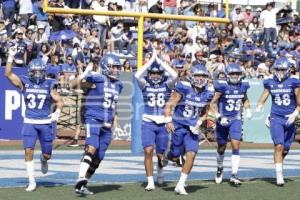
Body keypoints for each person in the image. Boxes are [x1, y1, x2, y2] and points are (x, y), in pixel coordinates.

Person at [5, 49, 63, 191]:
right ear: (30, 71)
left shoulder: (49, 84)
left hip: (45, 123)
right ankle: (32, 181)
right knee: (28, 150)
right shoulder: (25, 82)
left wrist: (57, 112)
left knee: (47, 154)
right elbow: (8, 73)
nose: (37, 74)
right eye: (35, 71)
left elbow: (60, 100)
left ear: (44, 72)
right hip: (30, 122)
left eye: (40, 71)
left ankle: (43, 160)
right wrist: (10, 57)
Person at [72, 53, 123, 195]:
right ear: (106, 67)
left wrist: (116, 123)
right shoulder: (98, 78)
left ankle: (83, 184)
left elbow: (114, 106)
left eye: (118, 67)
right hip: (93, 117)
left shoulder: (119, 85)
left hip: (107, 123)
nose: (116, 70)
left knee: (99, 156)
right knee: (92, 147)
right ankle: (80, 177)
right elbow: (73, 85)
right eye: (114, 67)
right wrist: (84, 73)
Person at [164, 64, 214, 195]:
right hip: (179, 126)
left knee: (192, 154)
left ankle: (180, 184)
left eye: (203, 76)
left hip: (192, 129)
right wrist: (168, 121)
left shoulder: (208, 92)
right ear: (192, 76)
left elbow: (205, 111)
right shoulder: (184, 88)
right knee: (175, 155)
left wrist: (199, 122)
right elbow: (169, 105)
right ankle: (169, 155)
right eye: (198, 75)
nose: (201, 78)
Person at [134, 50, 177, 191]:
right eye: (153, 73)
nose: (155, 75)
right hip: (148, 121)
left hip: (163, 123)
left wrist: (160, 62)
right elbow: (136, 75)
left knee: (160, 154)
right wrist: (150, 61)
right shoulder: (145, 84)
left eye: (158, 73)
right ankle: (150, 181)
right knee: (148, 150)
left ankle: (160, 171)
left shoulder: (167, 84)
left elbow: (175, 75)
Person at [256, 57, 300, 186]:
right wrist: (259, 105)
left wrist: (296, 113)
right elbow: (264, 95)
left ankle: (279, 160)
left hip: (290, 118)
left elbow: (299, 101)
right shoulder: (269, 81)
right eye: (278, 69)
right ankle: (279, 176)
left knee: (285, 149)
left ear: (288, 70)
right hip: (276, 117)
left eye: (282, 69)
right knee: (278, 146)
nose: (280, 72)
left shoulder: (294, 82)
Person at [209, 63, 251, 185]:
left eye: (237, 73)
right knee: (221, 147)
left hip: (235, 119)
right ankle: (220, 167)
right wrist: (218, 116)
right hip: (222, 119)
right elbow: (211, 104)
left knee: (236, 145)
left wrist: (248, 109)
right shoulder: (222, 86)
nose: (235, 75)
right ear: (227, 74)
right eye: (232, 73)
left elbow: (245, 99)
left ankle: (234, 174)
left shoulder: (243, 86)